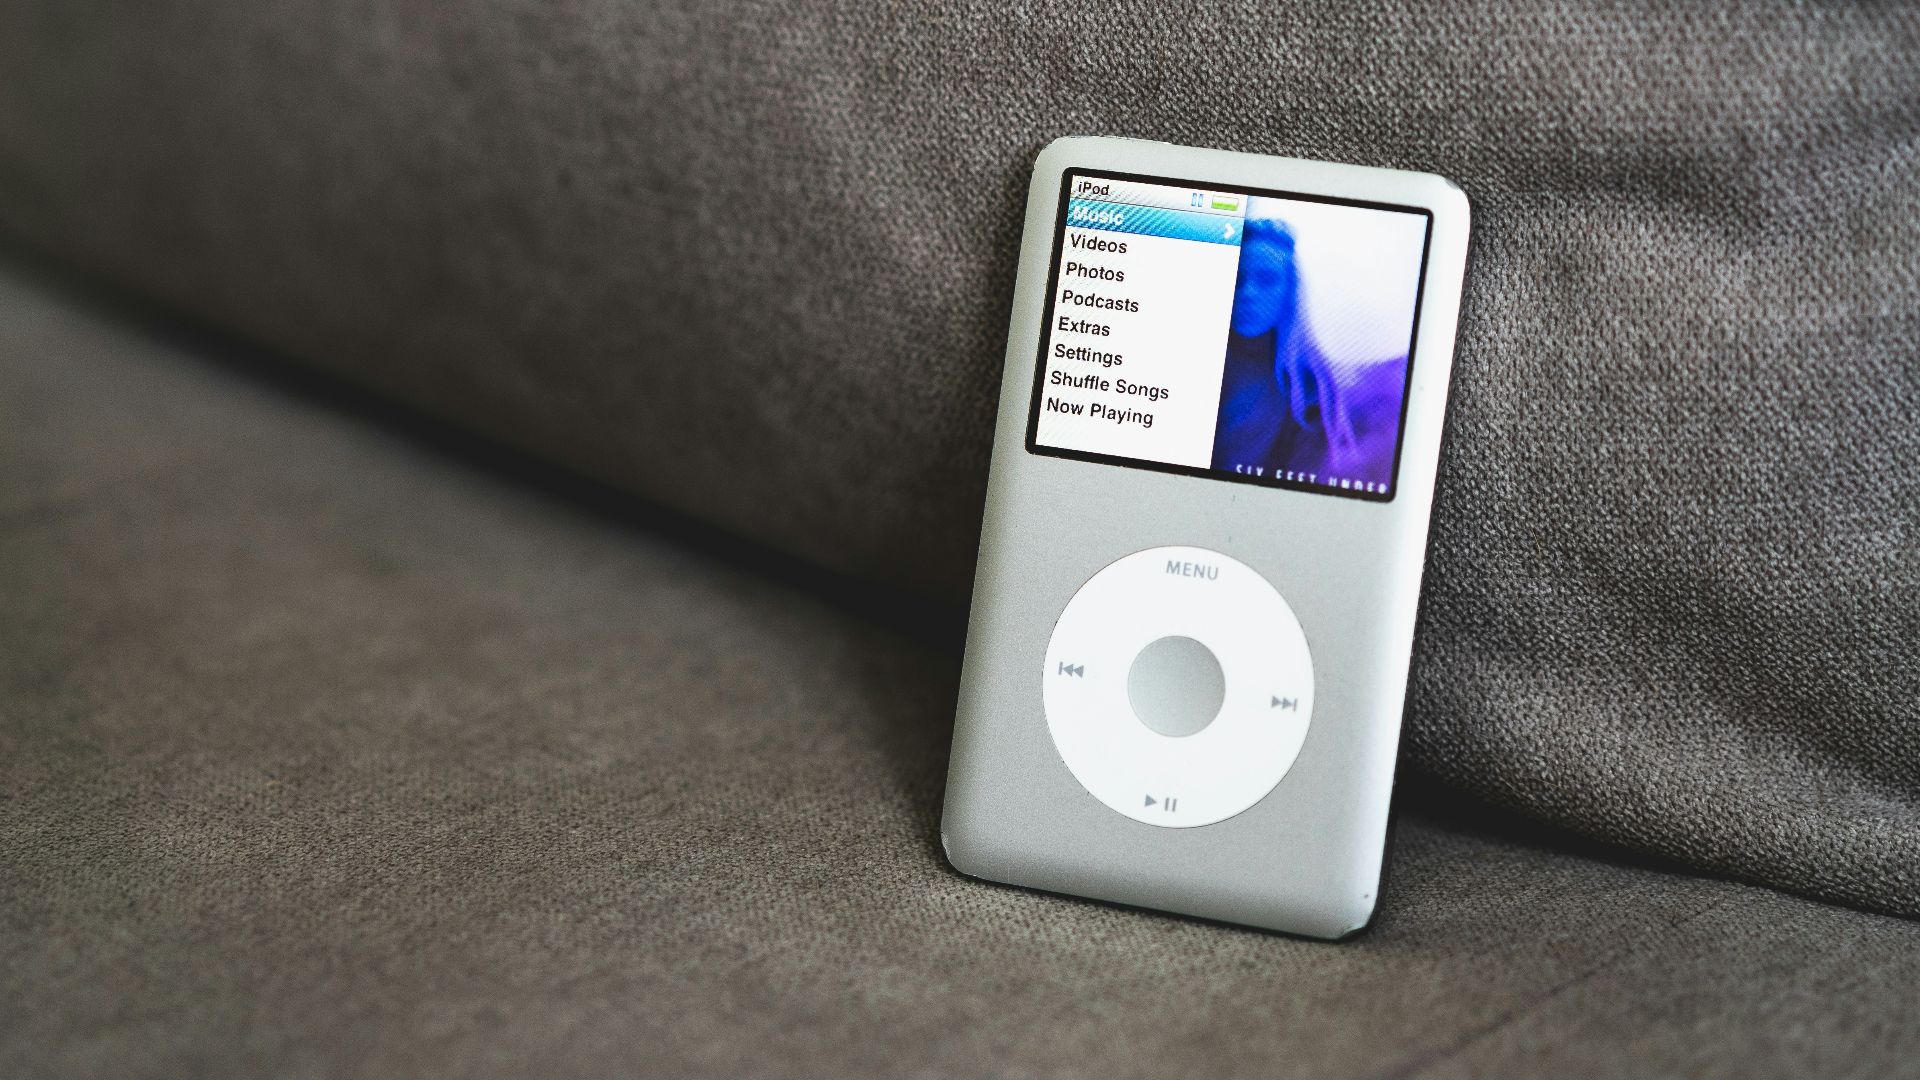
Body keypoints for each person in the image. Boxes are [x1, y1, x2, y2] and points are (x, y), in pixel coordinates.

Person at [1210, 216, 1406, 488]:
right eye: (1237, 278)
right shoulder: (1198, 359)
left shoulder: (1308, 386)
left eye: (1266, 279)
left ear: (1289, 291)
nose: (1248, 293)